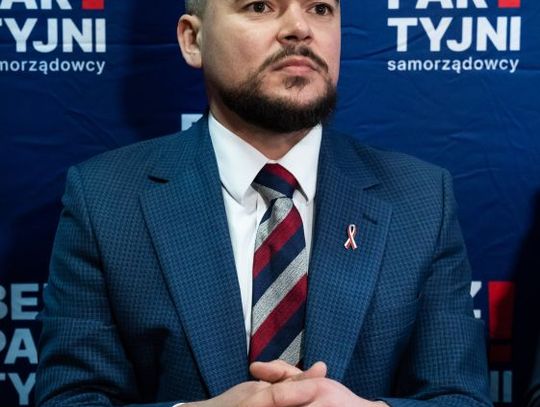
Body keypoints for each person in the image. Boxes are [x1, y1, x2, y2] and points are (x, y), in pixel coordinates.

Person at [35, 0, 492, 406]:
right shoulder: (105, 199)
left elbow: (459, 397)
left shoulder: (421, 199)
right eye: (259, 6)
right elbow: (70, 397)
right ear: (193, 40)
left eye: (320, 8)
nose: (299, 28)